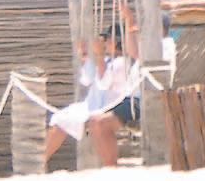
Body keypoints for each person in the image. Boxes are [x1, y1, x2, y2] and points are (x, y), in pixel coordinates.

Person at [45, 25, 137, 168]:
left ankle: (110, 165)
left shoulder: (122, 63)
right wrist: (85, 56)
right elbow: (86, 79)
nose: (104, 43)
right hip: (91, 105)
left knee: (71, 121)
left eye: (107, 39)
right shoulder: (108, 61)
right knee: (59, 119)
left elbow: (104, 83)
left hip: (107, 106)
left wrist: (99, 56)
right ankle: (41, 161)